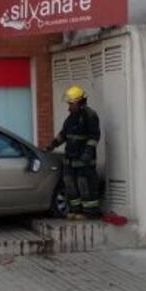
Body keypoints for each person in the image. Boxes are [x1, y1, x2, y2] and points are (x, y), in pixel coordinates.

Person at [46, 85, 101, 220]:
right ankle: (75, 210)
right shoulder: (71, 118)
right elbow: (63, 134)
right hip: (70, 158)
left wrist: (88, 151)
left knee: (84, 184)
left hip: (84, 159)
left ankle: (89, 212)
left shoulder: (90, 115)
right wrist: (51, 145)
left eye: (71, 103)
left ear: (79, 102)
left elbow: (95, 136)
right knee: (69, 183)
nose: (69, 107)